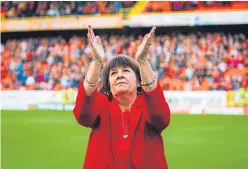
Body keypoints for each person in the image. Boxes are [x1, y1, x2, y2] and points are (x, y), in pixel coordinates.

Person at [73, 25, 171, 169]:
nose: (119, 75)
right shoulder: (101, 104)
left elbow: (161, 117)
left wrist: (142, 62)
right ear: (109, 84)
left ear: (138, 81)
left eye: (125, 71)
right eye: (113, 73)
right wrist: (96, 63)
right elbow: (82, 115)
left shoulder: (147, 105)